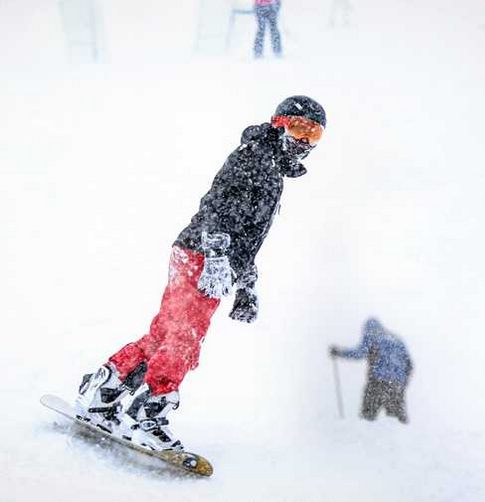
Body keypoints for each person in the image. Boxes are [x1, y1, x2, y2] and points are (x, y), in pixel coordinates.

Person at [74, 96, 327, 451]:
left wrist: (247, 285)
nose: (302, 141)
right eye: (298, 128)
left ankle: (107, 386)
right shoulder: (253, 157)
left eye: (312, 134)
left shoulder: (269, 168)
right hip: (202, 255)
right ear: (277, 123)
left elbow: (247, 236)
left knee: (167, 332)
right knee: (185, 339)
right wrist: (218, 256)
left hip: (197, 254)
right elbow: (217, 207)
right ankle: (148, 412)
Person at [330, 318, 413, 424]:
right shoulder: (397, 341)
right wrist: (402, 384)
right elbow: (409, 365)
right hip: (396, 386)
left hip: (377, 383)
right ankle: (403, 439)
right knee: (398, 422)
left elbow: (358, 354)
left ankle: (364, 438)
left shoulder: (372, 337)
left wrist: (339, 352)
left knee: (367, 417)